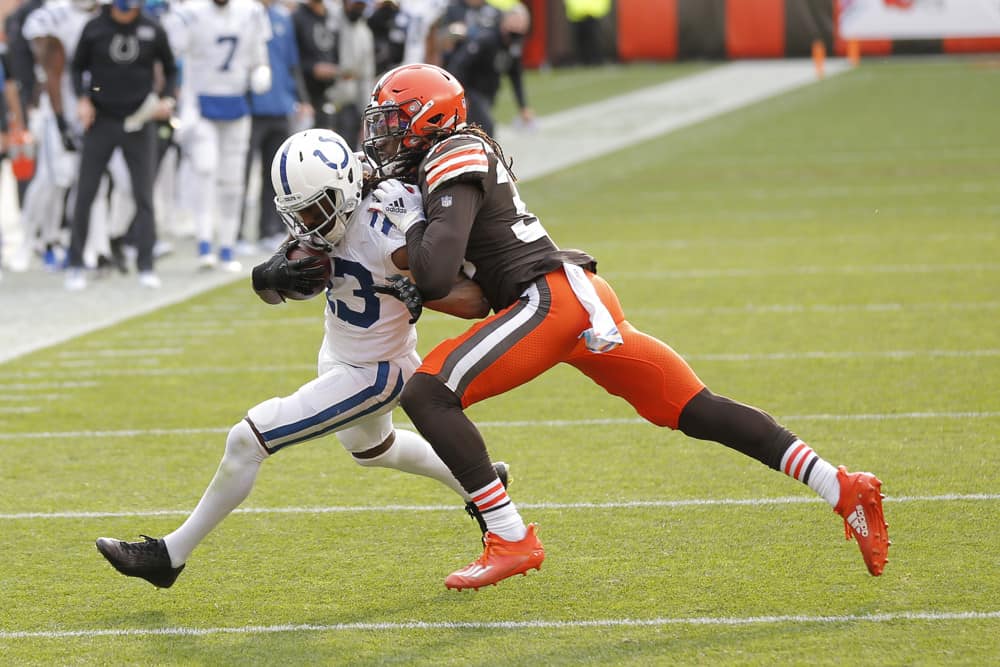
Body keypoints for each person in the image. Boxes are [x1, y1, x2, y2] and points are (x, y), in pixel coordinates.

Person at [362, 63, 891, 591]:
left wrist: (407, 221)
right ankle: (841, 486)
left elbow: (433, 274)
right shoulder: (445, 159)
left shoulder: (452, 153)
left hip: (549, 300)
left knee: (429, 393)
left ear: (429, 117)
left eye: (393, 120)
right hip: (569, 299)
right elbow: (468, 293)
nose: (384, 134)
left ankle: (510, 537)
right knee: (694, 409)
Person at [94, 128, 504, 589]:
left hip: (375, 371)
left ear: (343, 190)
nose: (308, 221)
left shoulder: (389, 223)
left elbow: (472, 300)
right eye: (299, 212)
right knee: (373, 450)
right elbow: (277, 288)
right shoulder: (331, 204)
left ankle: (169, 555)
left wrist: (423, 295)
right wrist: (267, 274)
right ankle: (482, 483)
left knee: (246, 440)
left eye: (313, 209)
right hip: (341, 352)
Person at [65, 0, 178, 290]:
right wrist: (83, 97)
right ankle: (75, 263)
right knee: (86, 191)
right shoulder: (94, 28)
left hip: (139, 119)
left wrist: (165, 99)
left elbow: (170, 67)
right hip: (101, 119)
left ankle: (145, 264)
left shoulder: (152, 28)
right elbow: (77, 67)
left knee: (143, 195)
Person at [160, 0, 272, 271]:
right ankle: (204, 242)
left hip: (236, 104)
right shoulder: (190, 13)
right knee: (205, 169)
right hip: (200, 103)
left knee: (233, 182)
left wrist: (261, 73)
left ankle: (227, 246)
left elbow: (259, 59)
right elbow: (168, 57)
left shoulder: (251, 12)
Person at [242, 0, 310, 251]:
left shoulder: (283, 18)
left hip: (280, 105)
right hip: (249, 107)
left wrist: (302, 98)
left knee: (274, 175)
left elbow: (292, 64)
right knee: (241, 174)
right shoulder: (243, 14)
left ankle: (268, 230)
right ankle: (236, 234)